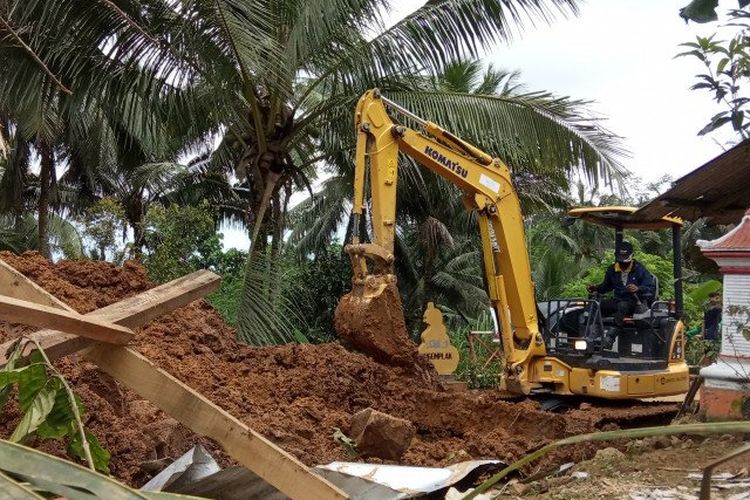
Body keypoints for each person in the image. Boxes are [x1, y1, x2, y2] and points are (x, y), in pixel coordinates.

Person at [587, 241, 656, 348]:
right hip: (618, 300)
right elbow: (606, 286)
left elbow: (650, 288)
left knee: (622, 306)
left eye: (625, 260)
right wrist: (596, 288)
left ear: (631, 256)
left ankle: (610, 338)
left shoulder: (639, 269)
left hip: (634, 302)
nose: (623, 264)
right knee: (596, 306)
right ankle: (592, 336)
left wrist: (638, 288)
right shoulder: (612, 269)